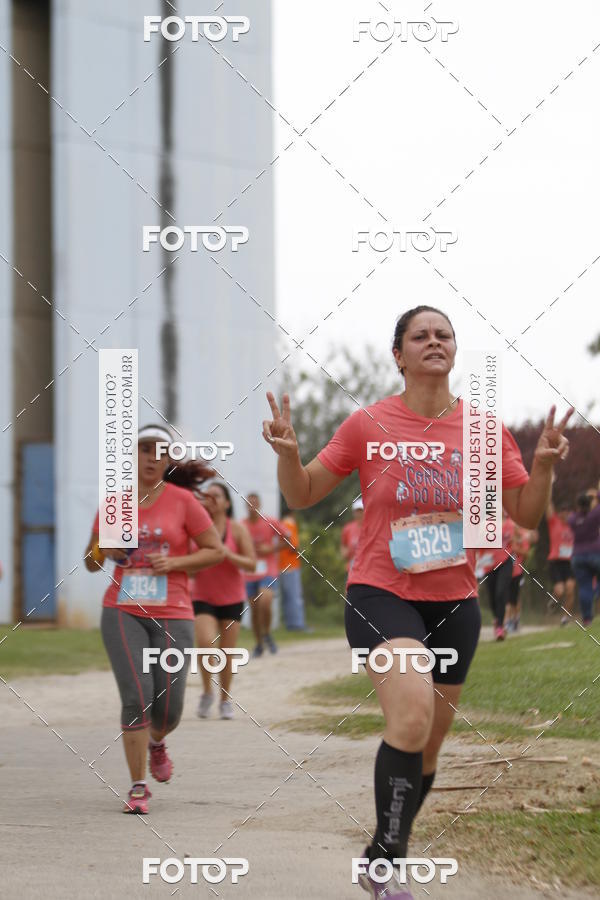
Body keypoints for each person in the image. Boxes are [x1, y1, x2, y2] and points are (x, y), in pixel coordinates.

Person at [262, 305, 571, 900]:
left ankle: (381, 847)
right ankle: (389, 871)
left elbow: (527, 514)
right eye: (420, 335)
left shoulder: (483, 431)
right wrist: (286, 453)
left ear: (454, 351)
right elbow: (301, 492)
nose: (435, 341)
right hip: (382, 592)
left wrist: (543, 470)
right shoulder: (368, 425)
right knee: (408, 719)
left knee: (428, 745)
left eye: (444, 334)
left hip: (455, 602)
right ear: (399, 355)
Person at [84, 424, 224, 814]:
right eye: (144, 449)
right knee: (136, 697)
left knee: (168, 709)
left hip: (173, 613)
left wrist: (176, 562)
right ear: (135, 455)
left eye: (159, 451)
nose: (151, 457)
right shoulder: (117, 501)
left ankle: (158, 742)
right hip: (122, 610)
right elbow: (90, 562)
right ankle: (138, 786)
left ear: (168, 460)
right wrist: (103, 550)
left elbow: (214, 551)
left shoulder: (183, 502)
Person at [192, 482, 256, 719]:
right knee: (206, 642)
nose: (211, 498)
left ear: (227, 503)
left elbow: (251, 563)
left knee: (227, 652)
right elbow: (188, 563)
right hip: (202, 595)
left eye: (217, 495)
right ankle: (207, 691)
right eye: (207, 495)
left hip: (231, 597)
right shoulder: (195, 528)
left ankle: (225, 699)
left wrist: (226, 553)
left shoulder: (237, 530)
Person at [242, 492, 284, 657]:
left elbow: (289, 540)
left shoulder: (270, 522)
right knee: (254, 610)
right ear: (246, 506)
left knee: (265, 601)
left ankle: (266, 633)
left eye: (255, 503)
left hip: (268, 569)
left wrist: (271, 549)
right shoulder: (241, 525)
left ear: (259, 505)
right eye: (249, 503)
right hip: (249, 571)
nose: (252, 506)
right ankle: (259, 643)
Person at [475, 511, 515, 641]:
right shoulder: (484, 525)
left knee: (500, 592)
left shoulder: (510, 524)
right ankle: (497, 619)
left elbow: (515, 540)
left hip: (505, 562)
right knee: (493, 598)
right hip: (489, 564)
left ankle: (499, 627)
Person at [568, 490, 600, 626]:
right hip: (595, 553)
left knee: (584, 587)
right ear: (589, 503)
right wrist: (596, 495)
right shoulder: (594, 516)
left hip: (578, 556)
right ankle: (597, 591)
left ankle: (587, 618)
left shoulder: (572, 519)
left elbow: (574, 515)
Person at [546, 494, 576, 626]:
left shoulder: (575, 525)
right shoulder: (554, 522)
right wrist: (548, 483)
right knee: (560, 591)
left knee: (570, 590)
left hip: (569, 562)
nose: (566, 515)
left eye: (568, 512)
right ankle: (553, 600)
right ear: (560, 513)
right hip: (555, 562)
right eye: (563, 512)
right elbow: (548, 504)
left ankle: (565, 618)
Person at [278, 511, 308, 631]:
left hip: (282, 565)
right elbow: (293, 546)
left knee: (287, 597)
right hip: (291, 565)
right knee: (295, 596)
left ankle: (290, 624)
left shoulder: (280, 523)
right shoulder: (289, 524)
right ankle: (297, 624)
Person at [505, 525, 537, 633]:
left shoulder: (523, 538)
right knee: (507, 598)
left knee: (515, 597)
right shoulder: (504, 536)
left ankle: (516, 619)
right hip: (505, 572)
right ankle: (507, 621)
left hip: (518, 571)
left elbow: (526, 553)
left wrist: (515, 548)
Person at [341, 498, 364, 572]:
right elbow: (343, 545)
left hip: (367, 566)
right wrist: (346, 553)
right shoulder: (348, 528)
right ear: (353, 513)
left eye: (361, 511)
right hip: (352, 567)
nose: (359, 513)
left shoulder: (371, 527)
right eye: (357, 511)